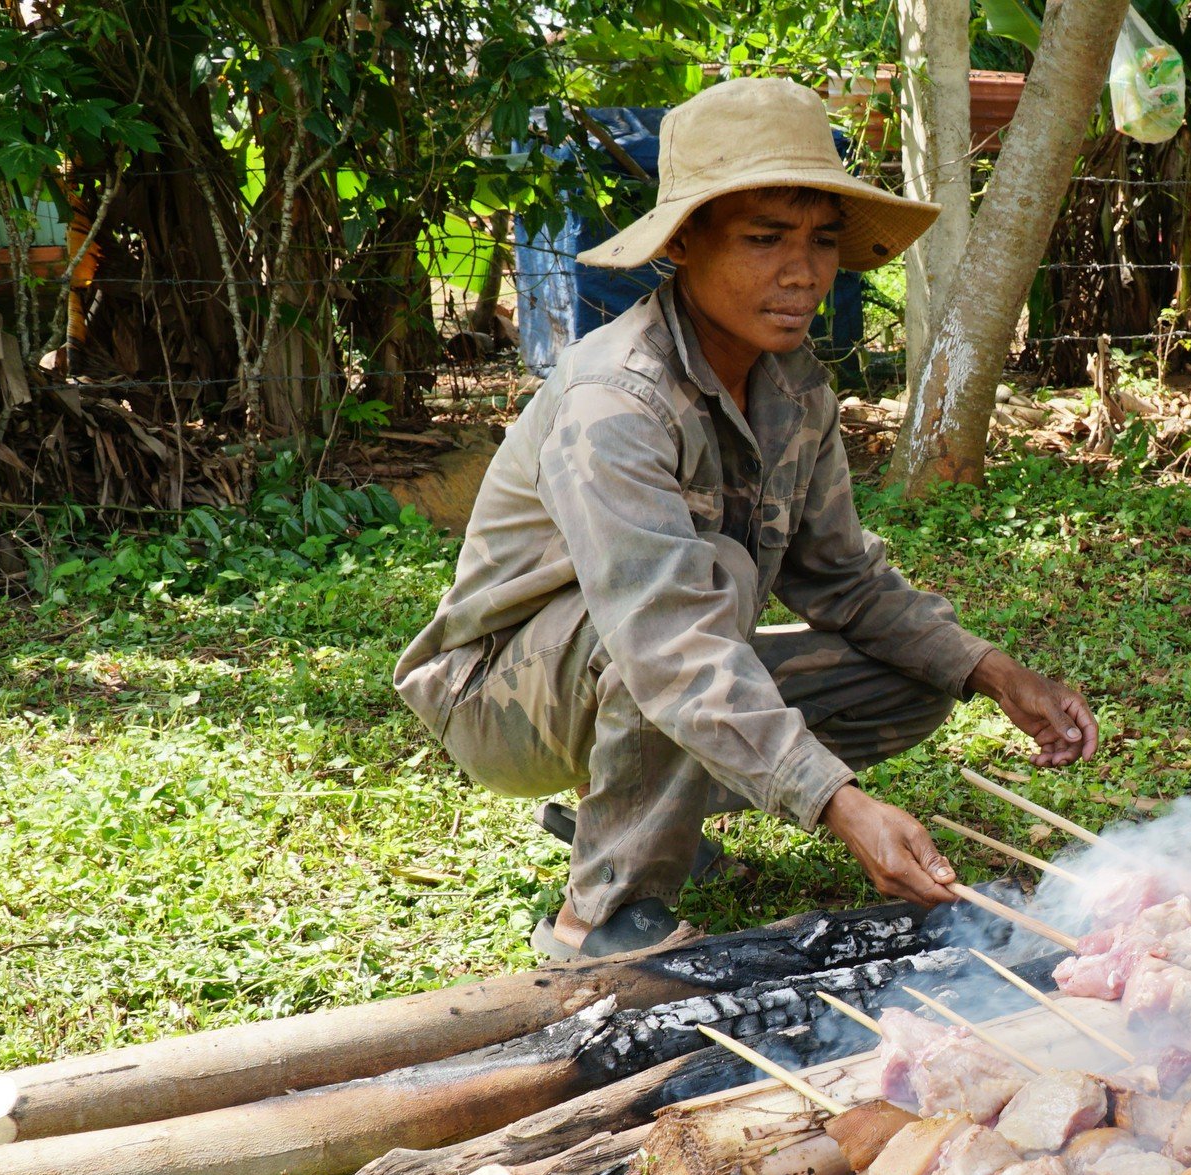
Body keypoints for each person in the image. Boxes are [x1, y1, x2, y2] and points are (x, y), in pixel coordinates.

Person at [396, 77, 1096, 959]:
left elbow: (846, 580)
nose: (802, 272)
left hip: (637, 656)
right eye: (765, 239)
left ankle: (648, 807)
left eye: (821, 241)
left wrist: (995, 674)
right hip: (498, 698)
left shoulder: (795, 389)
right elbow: (669, 642)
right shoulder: (614, 403)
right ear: (685, 243)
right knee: (711, 587)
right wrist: (841, 806)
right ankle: (598, 921)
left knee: (914, 676)